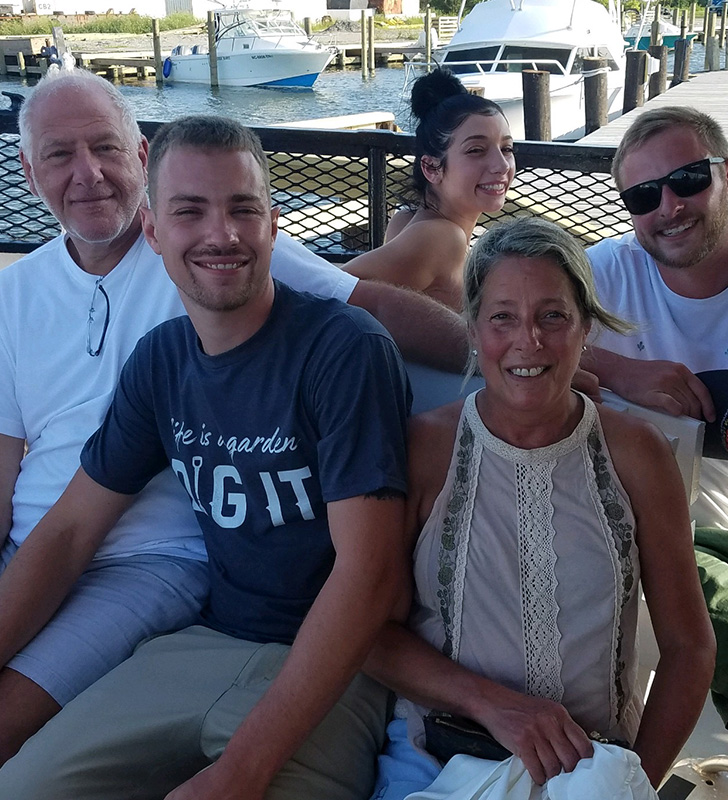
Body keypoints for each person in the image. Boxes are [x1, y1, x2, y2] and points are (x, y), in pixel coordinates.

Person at [0, 66, 466, 764]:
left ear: (140, 156)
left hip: (149, 560)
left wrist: (547, 362)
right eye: (60, 155)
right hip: (44, 550)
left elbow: (372, 306)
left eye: (104, 147)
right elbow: (16, 480)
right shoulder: (23, 294)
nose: (88, 174)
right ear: (29, 171)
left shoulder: (220, 255)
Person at [364, 217, 715, 800]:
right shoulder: (423, 451)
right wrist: (496, 706)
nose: (529, 340)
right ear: (473, 328)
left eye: (553, 315)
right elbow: (371, 633)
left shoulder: (636, 454)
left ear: (586, 332)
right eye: (503, 316)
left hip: (592, 765)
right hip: (437, 760)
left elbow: (689, 646)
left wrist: (634, 783)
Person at [584, 105, 728, 800]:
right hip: (672, 533)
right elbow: (487, 334)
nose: (668, 207)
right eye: (643, 196)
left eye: (686, 182)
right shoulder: (604, 277)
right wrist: (619, 370)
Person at [345, 68, 515, 311]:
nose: (501, 165)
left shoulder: (406, 219)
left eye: (507, 149)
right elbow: (332, 288)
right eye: (476, 150)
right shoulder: (443, 238)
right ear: (432, 167)